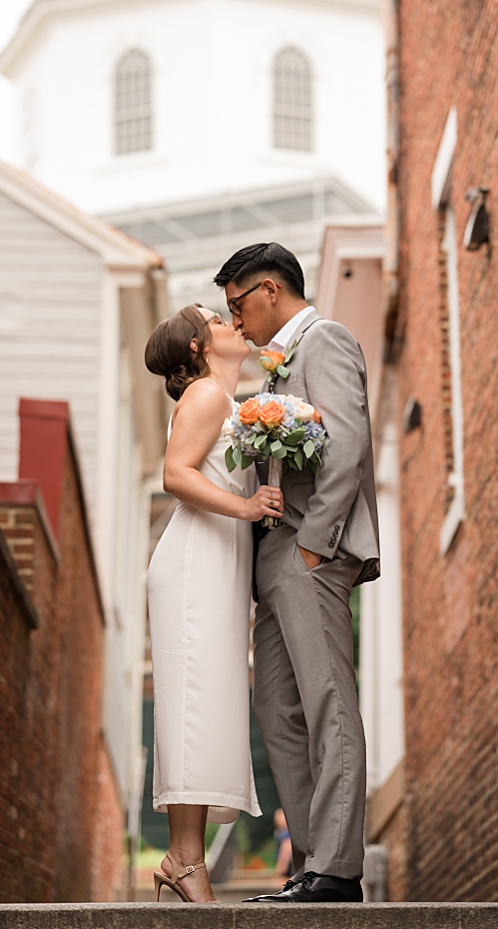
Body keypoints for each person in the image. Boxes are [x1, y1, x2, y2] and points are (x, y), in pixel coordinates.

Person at [215, 242, 380, 905]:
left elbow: (347, 443)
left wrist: (315, 544)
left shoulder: (326, 340)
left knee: (327, 701)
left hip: (312, 553)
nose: (233, 325)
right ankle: (311, 864)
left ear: (271, 291)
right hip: (273, 559)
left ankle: (338, 869)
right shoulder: (276, 367)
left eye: (237, 308)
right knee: (276, 709)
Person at [143, 304, 282, 903]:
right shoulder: (204, 396)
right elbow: (176, 474)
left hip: (217, 566)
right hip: (194, 562)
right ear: (201, 347)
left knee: (207, 704)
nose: (234, 324)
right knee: (194, 705)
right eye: (218, 321)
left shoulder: (229, 402)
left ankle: (183, 856)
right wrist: (249, 508)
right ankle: (184, 860)